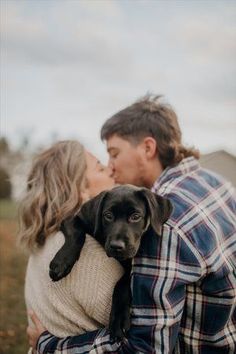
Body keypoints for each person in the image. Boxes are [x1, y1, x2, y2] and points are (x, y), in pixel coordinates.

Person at [29, 96, 236, 353]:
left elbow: (145, 348)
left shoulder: (165, 230)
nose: (110, 167)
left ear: (148, 148)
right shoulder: (216, 184)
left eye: (114, 153)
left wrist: (49, 346)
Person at [18, 140, 124, 353]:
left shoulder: (46, 239)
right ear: (80, 188)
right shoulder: (89, 255)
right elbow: (142, 338)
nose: (111, 168)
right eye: (100, 167)